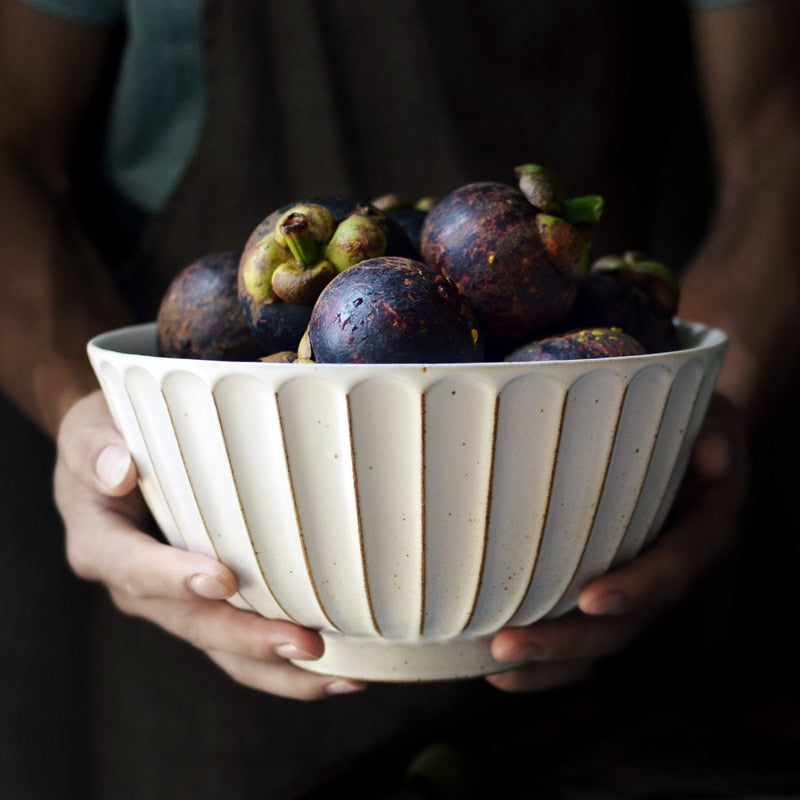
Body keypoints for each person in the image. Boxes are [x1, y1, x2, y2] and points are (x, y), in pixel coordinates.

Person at [1, 0, 799, 797]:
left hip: (600, 600)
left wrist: (699, 420)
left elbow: (780, 133)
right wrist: (89, 414)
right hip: (214, 601)